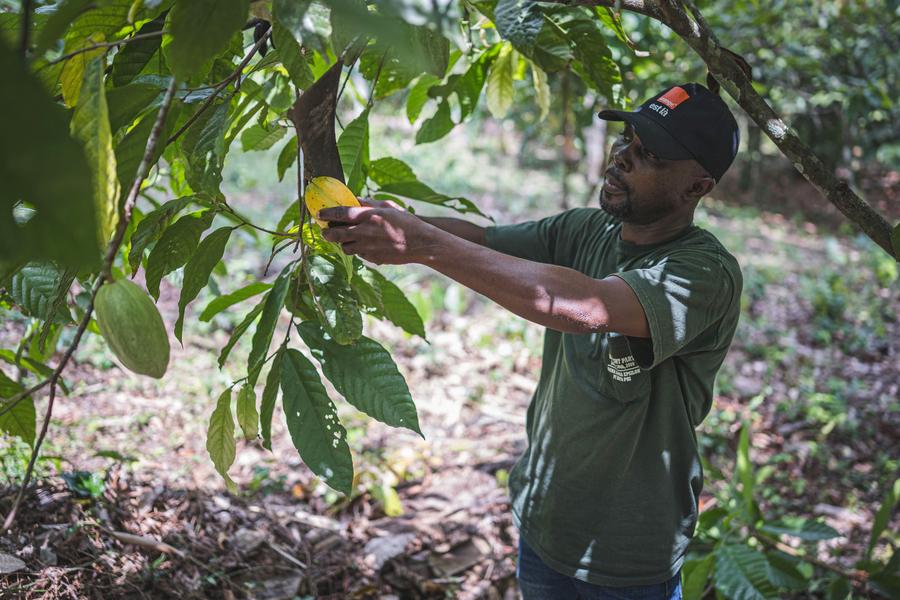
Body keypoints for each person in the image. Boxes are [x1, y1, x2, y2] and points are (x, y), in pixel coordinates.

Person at [319, 82, 743, 599]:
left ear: (696, 188)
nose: (621, 158)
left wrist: (422, 243)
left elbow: (585, 307)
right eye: (625, 139)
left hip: (628, 554)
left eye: (648, 154)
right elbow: (478, 241)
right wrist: (390, 225)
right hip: (545, 524)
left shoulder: (703, 272)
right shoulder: (586, 231)